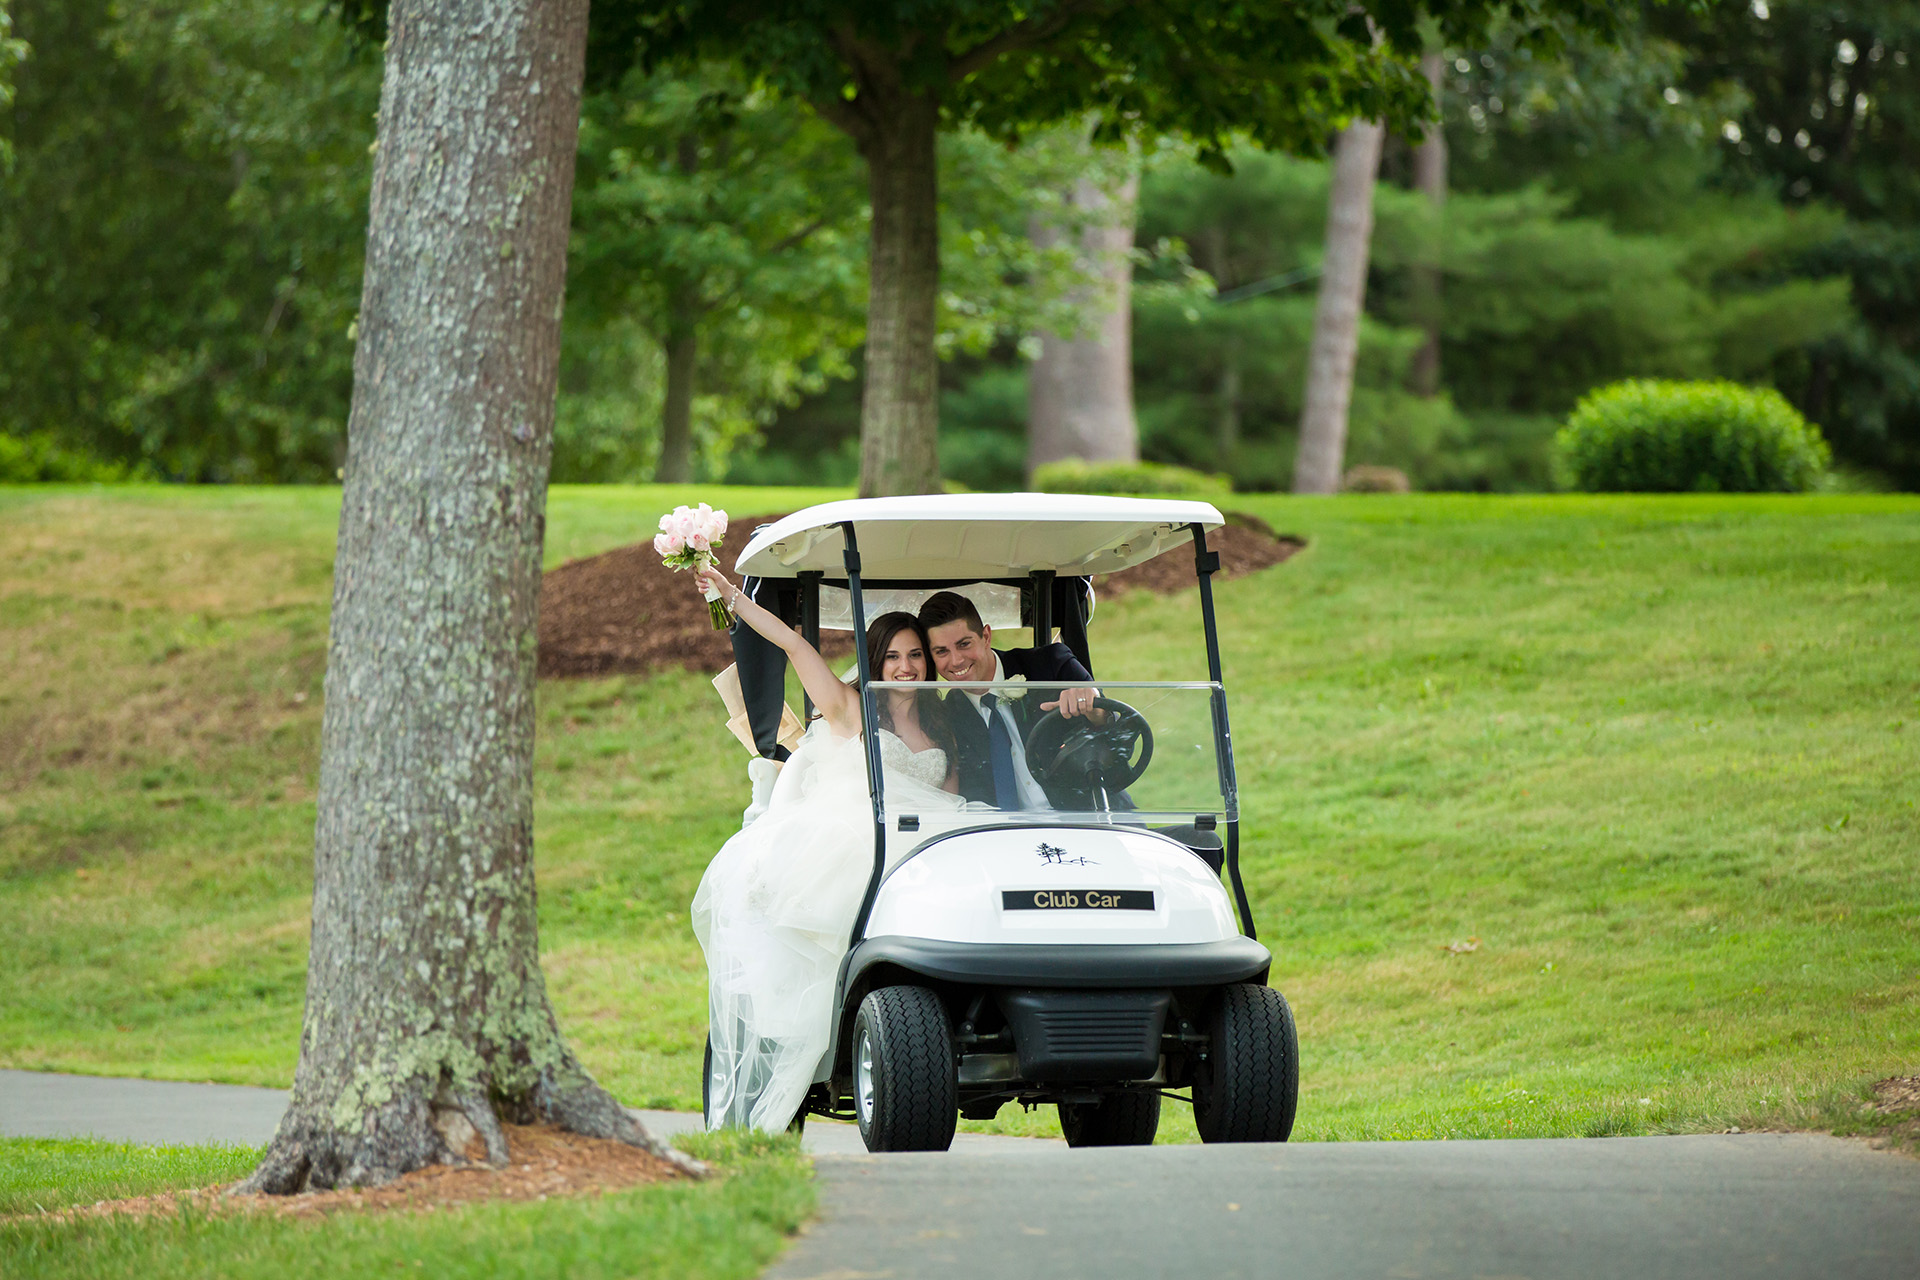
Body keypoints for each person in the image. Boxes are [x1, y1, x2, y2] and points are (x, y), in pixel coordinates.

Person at [688, 564, 972, 1132]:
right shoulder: (850, 708)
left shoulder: (944, 722)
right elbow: (793, 644)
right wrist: (731, 598)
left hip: (924, 839)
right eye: (892, 657)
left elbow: (952, 798)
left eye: (915, 655)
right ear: (876, 662)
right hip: (860, 833)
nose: (906, 667)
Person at [917, 590, 1101, 808]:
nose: (956, 660)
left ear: (986, 636)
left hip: (1090, 818)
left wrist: (1091, 703)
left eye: (964, 644)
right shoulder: (946, 717)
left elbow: (1115, 723)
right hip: (1009, 835)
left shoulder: (1051, 665)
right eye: (941, 652)